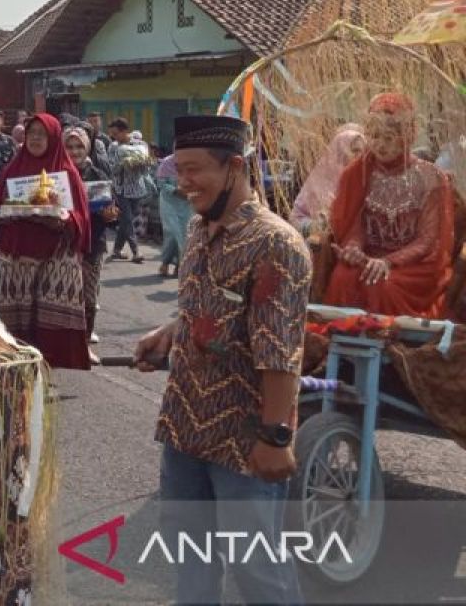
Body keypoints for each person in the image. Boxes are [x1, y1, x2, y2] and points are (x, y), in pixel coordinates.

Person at [135, 114, 310, 606]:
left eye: (194, 170)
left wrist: (275, 438)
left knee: (256, 569)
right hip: (185, 427)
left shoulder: (276, 243)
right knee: (191, 560)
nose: (183, 183)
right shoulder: (197, 229)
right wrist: (168, 333)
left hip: (244, 437)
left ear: (234, 166)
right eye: (178, 171)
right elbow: (206, 305)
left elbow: (280, 352)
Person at [323, 93, 455, 318]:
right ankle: (340, 344)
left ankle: (387, 349)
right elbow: (356, 225)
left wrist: (388, 262)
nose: (379, 145)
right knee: (342, 277)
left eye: (388, 137)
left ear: (407, 135)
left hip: (413, 268)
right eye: (374, 136)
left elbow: (428, 241)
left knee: (381, 285)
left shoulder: (431, 177)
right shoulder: (359, 172)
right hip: (368, 259)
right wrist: (354, 248)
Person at [0, 114, 92, 369]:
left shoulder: (67, 172)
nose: (35, 138)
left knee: (50, 321)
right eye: (31, 132)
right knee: (19, 324)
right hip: (18, 255)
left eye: (42, 134)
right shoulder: (12, 169)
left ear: (54, 138)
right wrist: (4, 213)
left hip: (56, 256)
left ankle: (49, 366)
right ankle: (20, 368)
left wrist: (60, 217)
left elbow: (81, 218)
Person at [64, 126, 118, 362]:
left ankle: (84, 345)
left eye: (79, 146)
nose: (75, 151)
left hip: (91, 245)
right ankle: (62, 344)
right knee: (61, 296)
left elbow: (112, 210)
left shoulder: (97, 174)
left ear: (87, 147)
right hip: (61, 245)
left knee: (88, 297)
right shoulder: (55, 174)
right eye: (69, 146)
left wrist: (110, 215)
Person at [288, 123, 365, 236]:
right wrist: (317, 226)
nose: (360, 156)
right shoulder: (319, 181)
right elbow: (295, 219)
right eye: (355, 150)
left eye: (363, 151)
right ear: (341, 152)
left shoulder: (367, 181)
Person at [107, 117, 153, 263]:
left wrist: (140, 163)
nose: (113, 137)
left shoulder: (141, 145)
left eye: (115, 133)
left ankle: (116, 250)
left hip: (137, 189)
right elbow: (112, 169)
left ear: (124, 131)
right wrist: (123, 163)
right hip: (120, 190)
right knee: (127, 219)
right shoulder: (114, 147)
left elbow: (147, 167)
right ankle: (136, 252)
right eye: (112, 134)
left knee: (126, 221)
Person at [155, 154, 193, 278]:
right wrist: (176, 190)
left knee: (184, 234)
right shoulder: (167, 163)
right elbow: (160, 183)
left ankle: (179, 266)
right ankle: (165, 263)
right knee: (172, 233)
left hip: (187, 203)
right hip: (169, 202)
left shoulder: (193, 162)